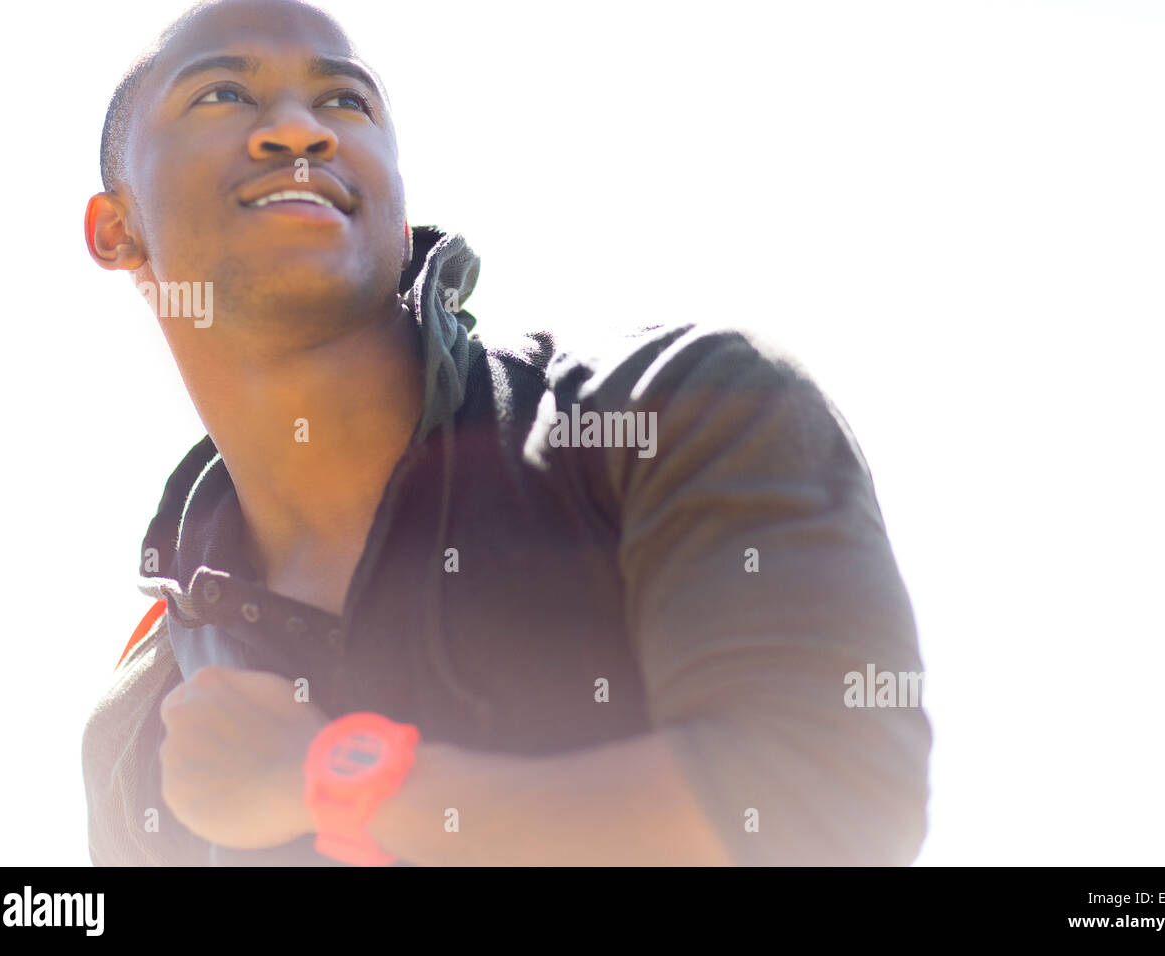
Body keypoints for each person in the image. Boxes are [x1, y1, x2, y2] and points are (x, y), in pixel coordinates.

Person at [81, 0, 932, 866]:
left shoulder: (681, 411)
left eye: (346, 103)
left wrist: (332, 781)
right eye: (223, 94)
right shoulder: (145, 730)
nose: (299, 130)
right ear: (116, 231)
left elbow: (828, 808)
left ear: (399, 208)